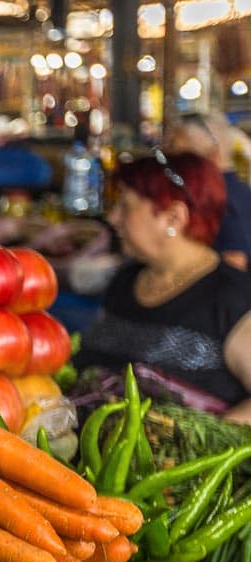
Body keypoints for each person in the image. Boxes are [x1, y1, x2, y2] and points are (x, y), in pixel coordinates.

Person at [77, 150, 251, 423]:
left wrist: (196, 448)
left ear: (173, 218)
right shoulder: (126, 280)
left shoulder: (234, 297)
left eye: (125, 205)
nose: (113, 217)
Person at [166, 112, 251, 270]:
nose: (167, 157)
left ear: (212, 152)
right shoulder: (234, 190)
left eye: (175, 148)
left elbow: (235, 261)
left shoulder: (222, 197)